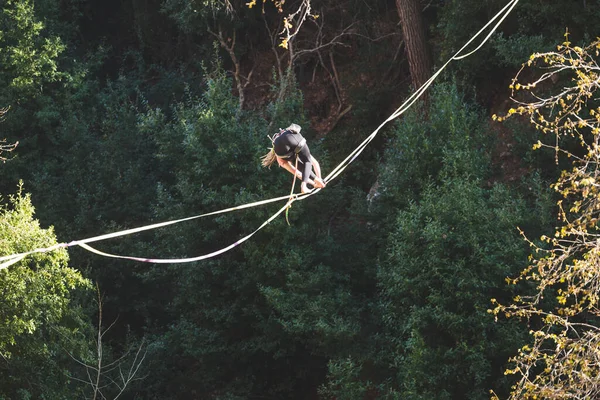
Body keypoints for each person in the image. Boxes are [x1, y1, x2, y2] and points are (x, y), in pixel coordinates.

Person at [261, 123, 326, 193]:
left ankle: (306, 185)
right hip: (291, 137)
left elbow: (298, 174)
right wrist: (319, 180)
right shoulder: (285, 136)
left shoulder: (280, 159)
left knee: (299, 164)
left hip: (282, 152)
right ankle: (304, 186)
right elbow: (315, 163)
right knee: (307, 161)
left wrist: (315, 183)